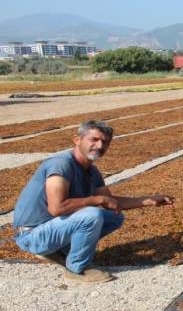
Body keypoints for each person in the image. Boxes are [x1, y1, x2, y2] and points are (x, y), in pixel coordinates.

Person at [12, 120, 174, 284]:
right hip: (31, 234)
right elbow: (57, 208)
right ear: (77, 140)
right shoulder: (61, 165)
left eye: (105, 142)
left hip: (52, 228)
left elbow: (110, 202)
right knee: (92, 215)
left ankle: (62, 250)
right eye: (94, 139)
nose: (99, 145)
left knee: (114, 216)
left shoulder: (92, 172)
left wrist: (148, 201)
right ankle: (77, 269)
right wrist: (96, 199)